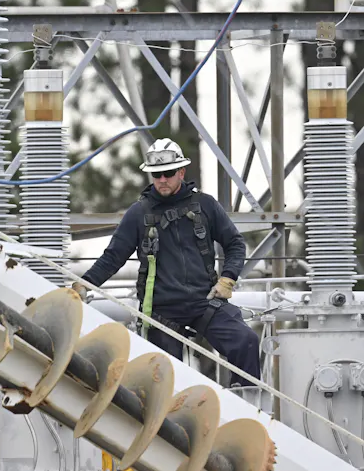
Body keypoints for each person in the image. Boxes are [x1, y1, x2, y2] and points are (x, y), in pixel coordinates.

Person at [73, 138, 260, 385]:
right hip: (161, 312)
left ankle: (246, 408)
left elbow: (235, 243)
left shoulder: (205, 206)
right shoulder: (138, 214)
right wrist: (84, 284)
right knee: (167, 380)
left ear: (181, 172)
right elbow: (113, 257)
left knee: (245, 341)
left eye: (168, 173)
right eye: (156, 174)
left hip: (204, 303)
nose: (162, 180)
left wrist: (228, 279)